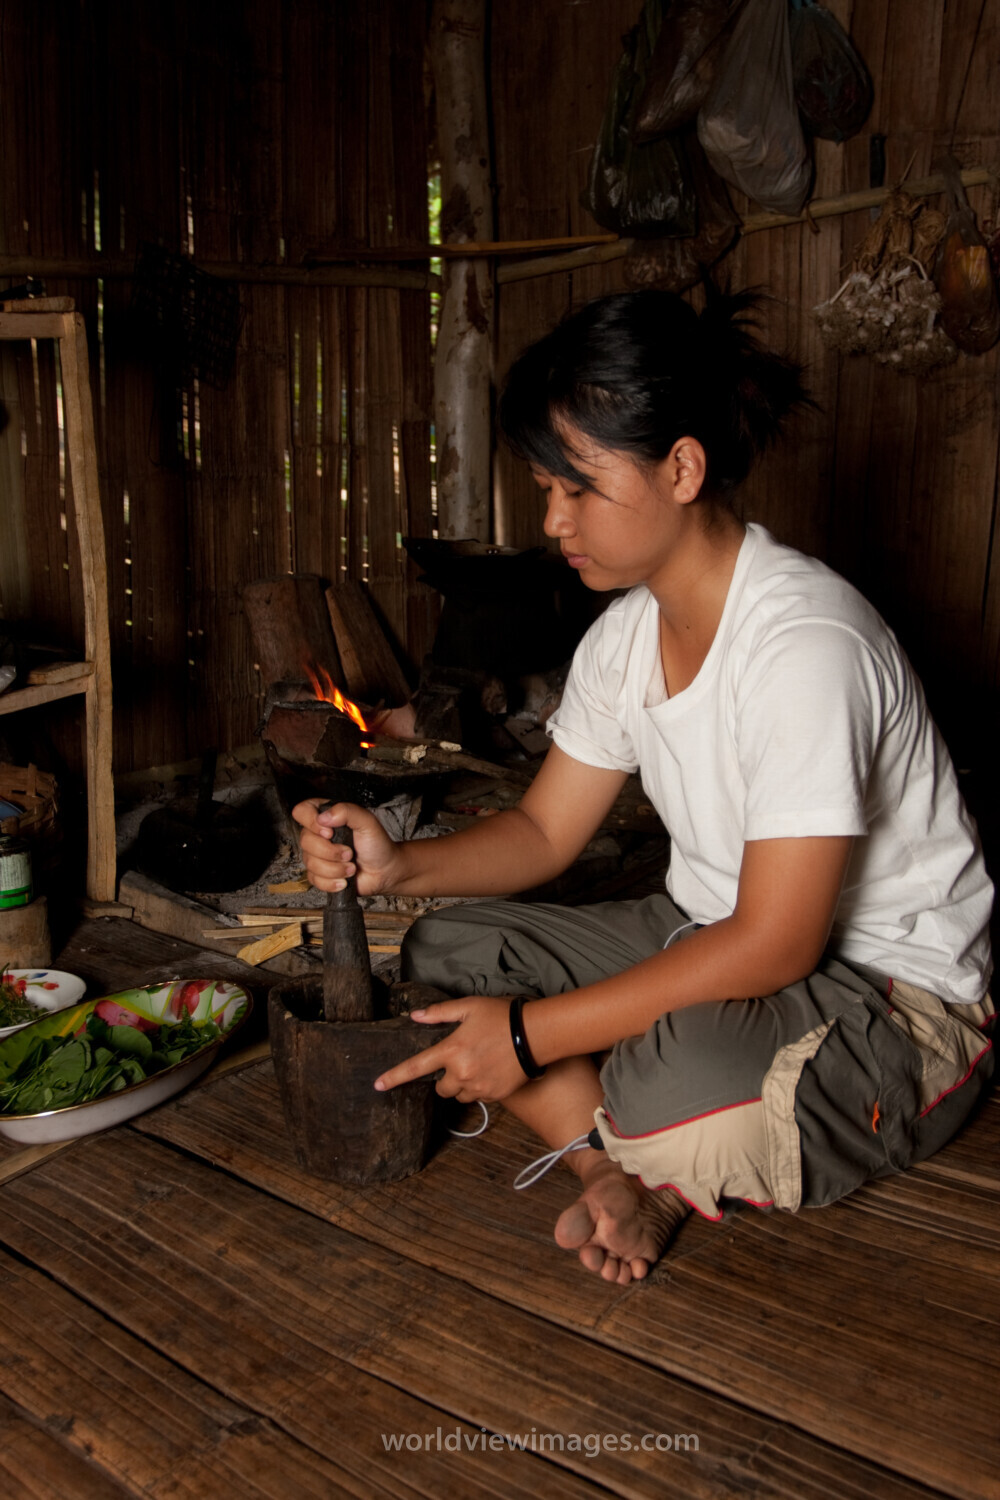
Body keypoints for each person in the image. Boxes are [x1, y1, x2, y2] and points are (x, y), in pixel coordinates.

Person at [294, 288, 995, 1286]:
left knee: (669, 1084)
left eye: (575, 488)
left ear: (680, 467)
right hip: (706, 934)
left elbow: (780, 941)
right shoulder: (626, 635)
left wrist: (533, 1034)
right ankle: (611, 1169)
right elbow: (542, 832)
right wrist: (398, 861)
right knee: (446, 954)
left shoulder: (803, 643)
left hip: (889, 990)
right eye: (546, 489)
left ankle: (638, 1135)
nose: (552, 519)